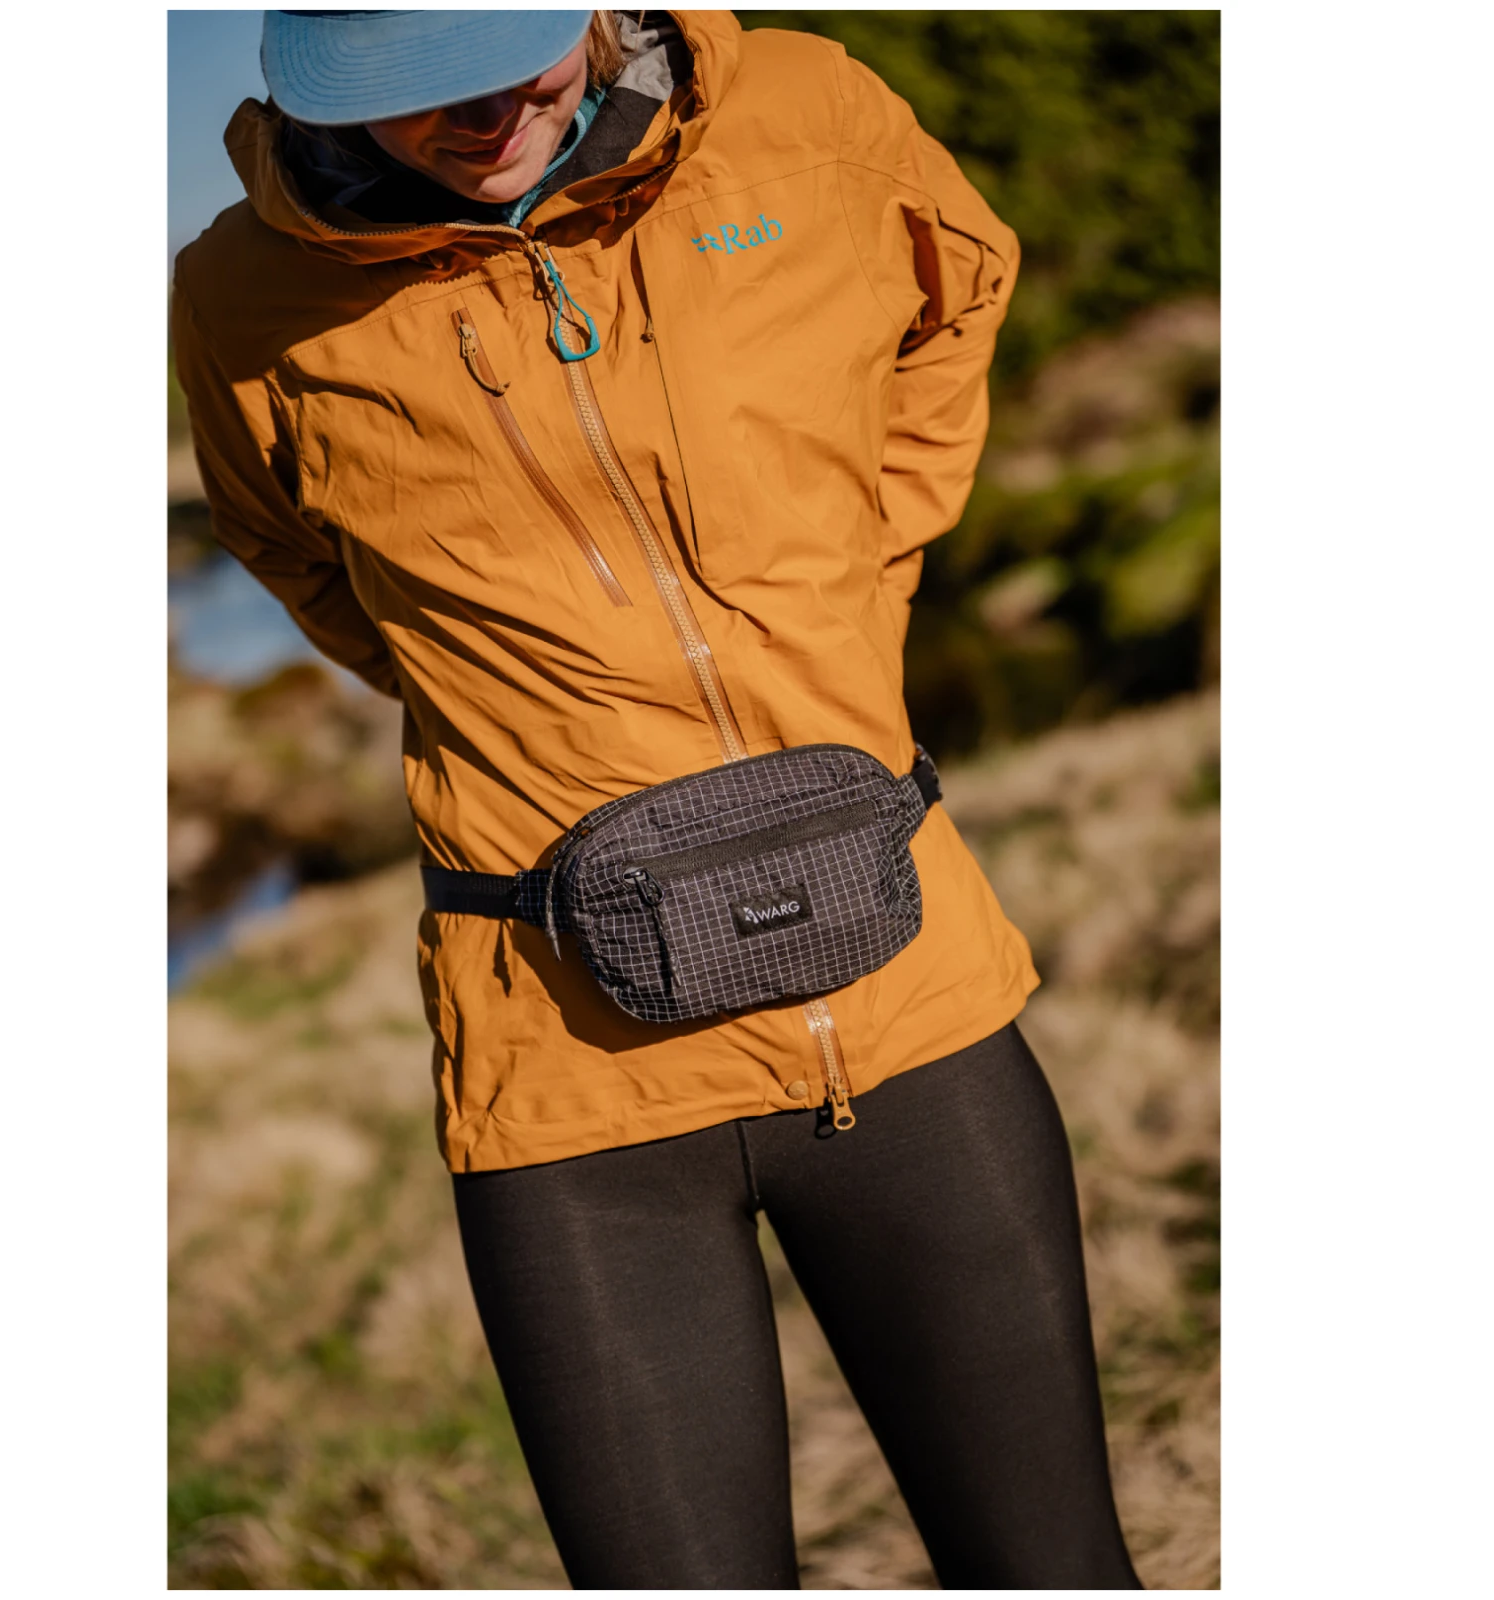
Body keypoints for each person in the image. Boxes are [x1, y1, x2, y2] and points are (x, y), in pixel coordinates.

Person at [172, 10, 1143, 1589]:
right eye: (413, 88)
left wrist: (853, 581)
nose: (480, 111)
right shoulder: (240, 291)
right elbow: (291, 553)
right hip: (569, 1082)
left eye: (507, 51)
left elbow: (959, 294)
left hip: (907, 1006)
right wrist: (510, 686)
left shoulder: (810, 113)